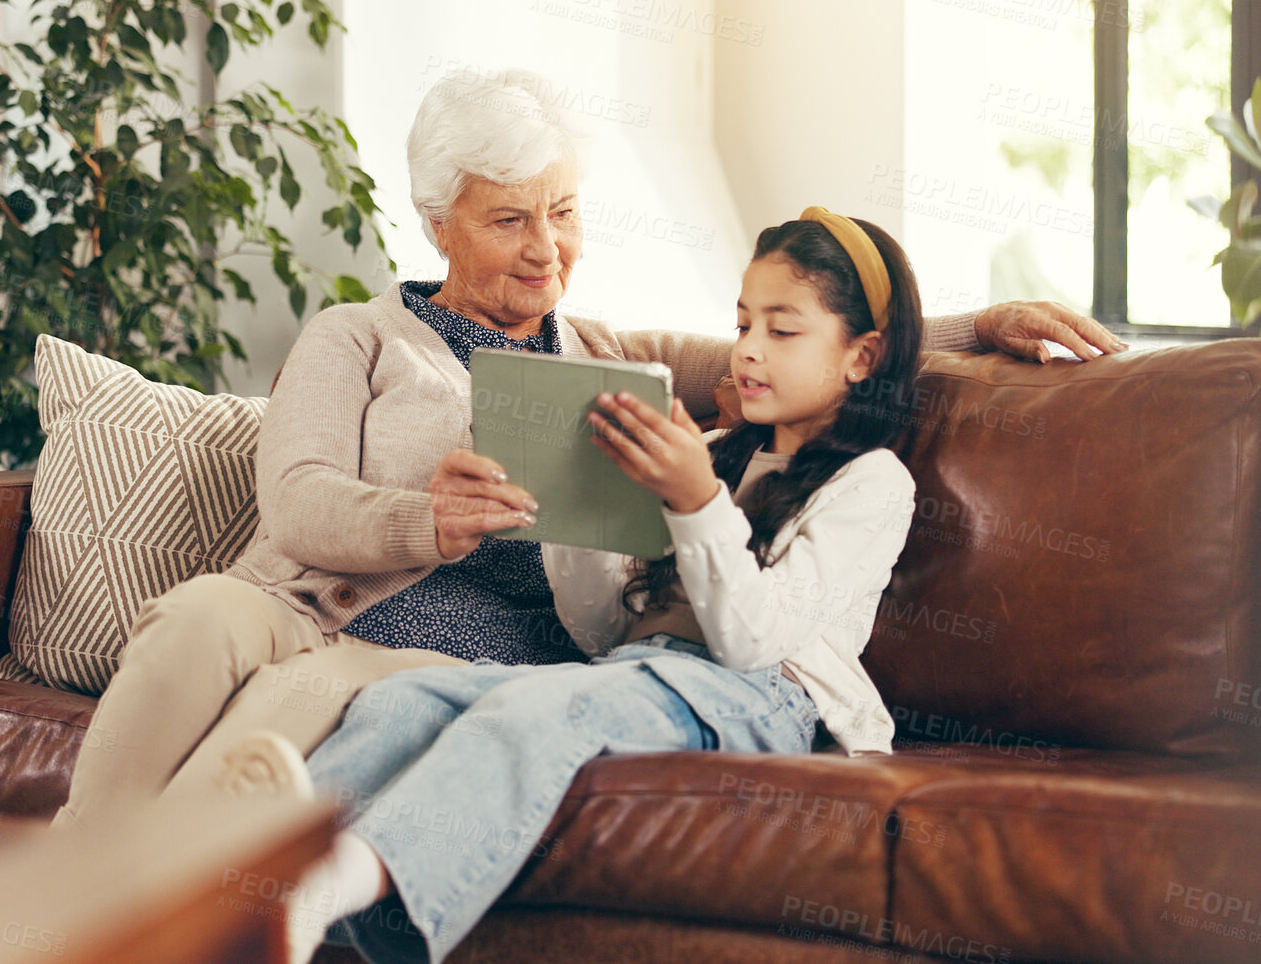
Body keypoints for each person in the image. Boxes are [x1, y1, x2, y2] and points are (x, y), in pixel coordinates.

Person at [52, 69, 1125, 830]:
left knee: (301, 701)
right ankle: (73, 872)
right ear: (437, 223)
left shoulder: (609, 353)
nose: (546, 249)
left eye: (562, 212)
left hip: (481, 651)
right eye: (509, 220)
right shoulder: (358, 336)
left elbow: (799, 346)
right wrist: (422, 518)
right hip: (305, 599)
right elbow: (294, 500)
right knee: (194, 618)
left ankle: (140, 912)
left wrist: (977, 322)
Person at [253, 208, 929, 963]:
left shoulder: (872, 483)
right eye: (742, 325)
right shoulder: (711, 452)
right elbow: (601, 632)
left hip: (761, 696)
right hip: (640, 668)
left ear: (862, 356)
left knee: (532, 709)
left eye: (782, 329)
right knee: (404, 700)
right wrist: (574, 503)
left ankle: (316, 890)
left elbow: (751, 641)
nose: (747, 350)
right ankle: (256, 890)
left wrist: (696, 500)